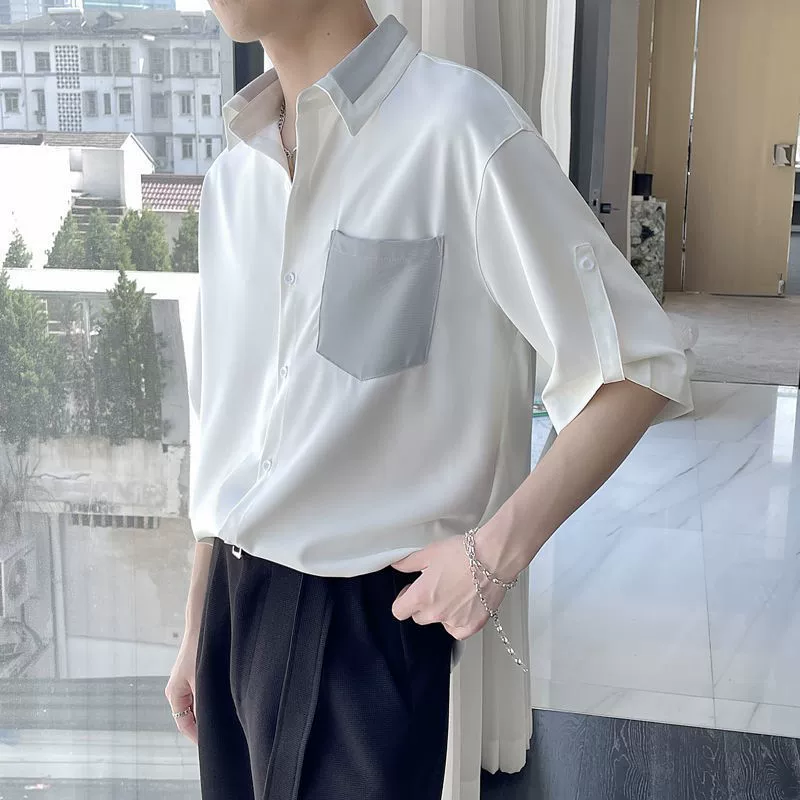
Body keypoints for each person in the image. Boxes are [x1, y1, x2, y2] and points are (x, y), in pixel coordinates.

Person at [164, 2, 694, 798]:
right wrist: (196, 625)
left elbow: (637, 365)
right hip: (231, 611)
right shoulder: (233, 179)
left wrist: (493, 559)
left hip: (359, 627)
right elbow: (222, 424)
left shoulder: (459, 128)